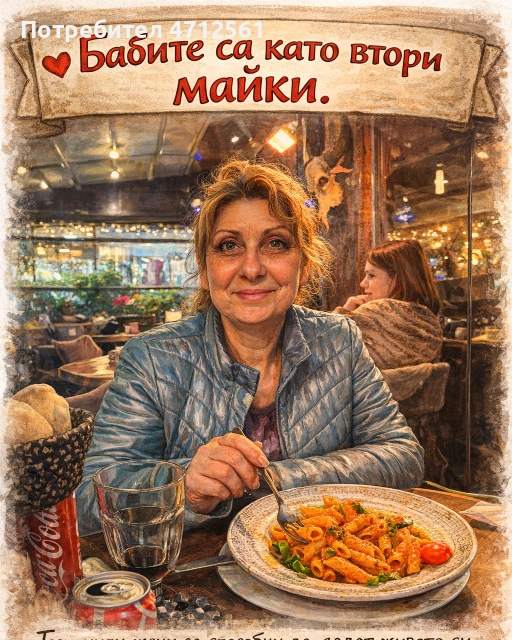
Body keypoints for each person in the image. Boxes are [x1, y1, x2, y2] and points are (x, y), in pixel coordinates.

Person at [77, 160, 423, 534]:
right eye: (229, 246)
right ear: (204, 269)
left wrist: (267, 477)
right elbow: (88, 499)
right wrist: (183, 485)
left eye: (276, 244)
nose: (252, 268)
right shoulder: (150, 358)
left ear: (304, 266)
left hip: (315, 562)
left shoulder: (340, 339)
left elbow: (403, 456)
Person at [333, 240, 443, 371]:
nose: (363, 283)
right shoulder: (430, 323)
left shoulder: (373, 312)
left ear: (398, 279)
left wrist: (343, 313)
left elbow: (321, 351)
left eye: (371, 275)